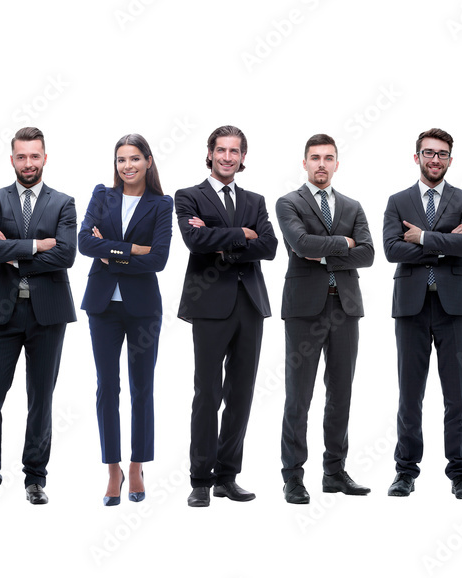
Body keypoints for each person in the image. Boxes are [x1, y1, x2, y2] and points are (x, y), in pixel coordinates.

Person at [0, 127, 77, 506]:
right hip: (2, 312)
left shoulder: (63, 203)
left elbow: (66, 255)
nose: (28, 163)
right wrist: (34, 245)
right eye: (21, 156)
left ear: (45, 158)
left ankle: (35, 478)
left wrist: (10, 252)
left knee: (40, 398)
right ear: (11, 158)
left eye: (35, 156)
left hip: (48, 313)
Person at [176, 125, 277, 507]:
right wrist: (243, 235)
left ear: (243, 157)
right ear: (210, 153)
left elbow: (268, 247)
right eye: (221, 150)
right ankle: (200, 479)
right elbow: (193, 240)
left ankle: (227, 476)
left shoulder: (256, 199)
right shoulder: (189, 196)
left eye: (235, 151)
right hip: (208, 305)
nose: (227, 157)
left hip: (250, 304)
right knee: (208, 393)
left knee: (241, 394)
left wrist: (227, 240)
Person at [275, 133, 375, 504]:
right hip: (304, 309)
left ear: (336, 163)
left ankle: (334, 472)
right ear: (304, 163)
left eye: (328, 158)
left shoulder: (353, 206)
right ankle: (293, 477)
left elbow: (367, 254)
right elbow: (300, 244)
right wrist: (344, 244)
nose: (321, 164)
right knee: (298, 396)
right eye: (314, 157)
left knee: (341, 393)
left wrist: (326, 251)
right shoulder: (289, 202)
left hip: (345, 308)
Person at [384, 128, 462, 499]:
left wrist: (423, 238)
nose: (435, 159)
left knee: (457, 395)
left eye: (442, 154)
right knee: (410, 394)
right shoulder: (397, 201)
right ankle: (405, 471)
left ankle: (460, 473)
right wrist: (446, 242)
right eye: (429, 153)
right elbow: (392, 249)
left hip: (453, 306)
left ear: (450, 160)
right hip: (410, 306)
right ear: (417, 157)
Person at [78, 134, 172, 506]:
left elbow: (160, 259)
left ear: (148, 161)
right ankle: (112, 468)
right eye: (121, 160)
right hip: (103, 306)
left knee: (142, 388)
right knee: (107, 388)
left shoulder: (162, 205)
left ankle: (136, 465)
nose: (127, 166)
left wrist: (110, 252)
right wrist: (132, 249)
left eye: (135, 158)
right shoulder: (102, 195)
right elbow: (85, 243)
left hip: (143, 308)